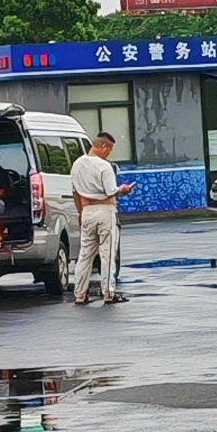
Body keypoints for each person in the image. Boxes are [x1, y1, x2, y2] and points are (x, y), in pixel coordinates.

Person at [72, 130, 133, 303]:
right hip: (105, 211)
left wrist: (80, 213)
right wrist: (123, 189)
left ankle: (80, 294)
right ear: (102, 146)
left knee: (85, 254)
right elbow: (110, 191)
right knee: (107, 253)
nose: (109, 153)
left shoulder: (76, 165)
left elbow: (75, 192)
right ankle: (108, 292)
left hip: (86, 212)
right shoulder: (104, 166)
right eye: (109, 149)